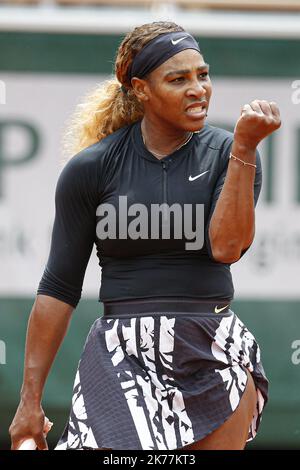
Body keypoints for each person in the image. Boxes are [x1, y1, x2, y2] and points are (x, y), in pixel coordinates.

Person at [9, 21, 281, 451]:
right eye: (178, 79)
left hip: (211, 349)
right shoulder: (91, 168)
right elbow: (58, 287)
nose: (198, 89)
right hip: (120, 352)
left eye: (202, 75)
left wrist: (245, 149)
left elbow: (227, 248)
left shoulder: (231, 153)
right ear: (140, 89)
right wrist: (29, 401)